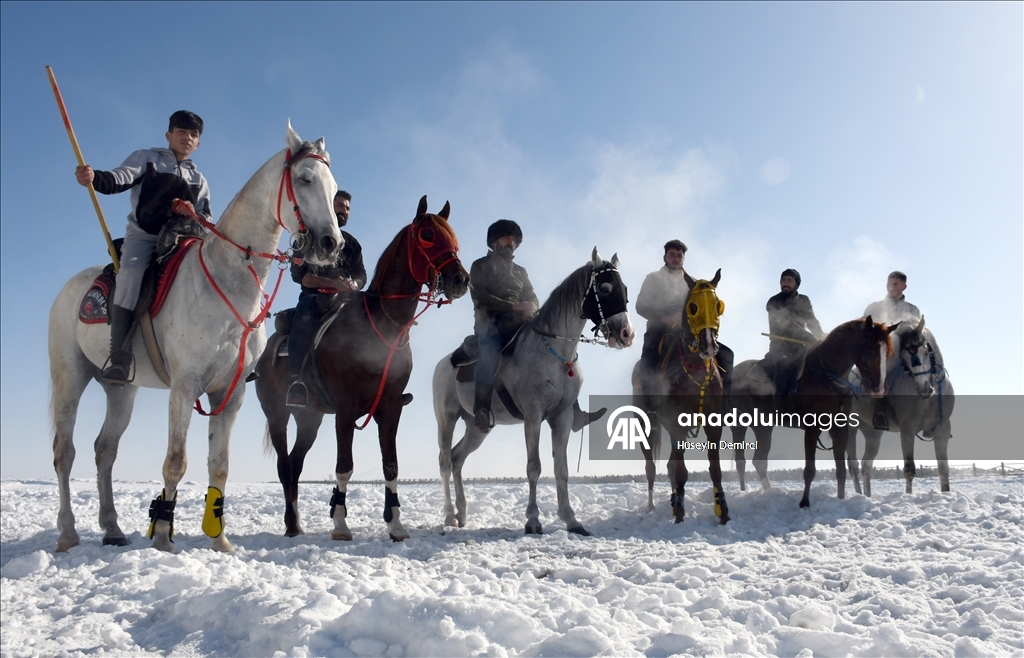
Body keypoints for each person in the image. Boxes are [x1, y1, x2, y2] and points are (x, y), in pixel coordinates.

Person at [75, 110, 212, 384]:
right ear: (169, 135)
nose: (187, 138)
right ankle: (119, 357)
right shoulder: (147, 158)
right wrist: (94, 177)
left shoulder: (200, 180)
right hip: (146, 237)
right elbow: (119, 178)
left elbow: (206, 218)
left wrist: (193, 215)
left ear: (198, 143)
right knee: (131, 274)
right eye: (182, 132)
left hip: (184, 241)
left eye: (193, 135)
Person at [285, 190, 366, 407]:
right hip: (314, 299)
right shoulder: (306, 238)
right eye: (339, 205)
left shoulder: (352, 244)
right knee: (303, 319)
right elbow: (301, 277)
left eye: (347, 208)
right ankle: (296, 383)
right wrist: (331, 283)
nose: (344, 210)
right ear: (329, 206)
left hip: (345, 301)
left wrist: (354, 284)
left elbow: (361, 275)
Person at [635, 239, 734, 395]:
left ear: (683, 258)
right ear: (665, 257)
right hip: (659, 330)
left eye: (679, 255)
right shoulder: (653, 278)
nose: (676, 258)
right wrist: (666, 319)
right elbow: (640, 306)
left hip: (689, 332)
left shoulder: (694, 283)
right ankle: (650, 410)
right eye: (672, 255)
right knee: (648, 363)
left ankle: (726, 404)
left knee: (727, 355)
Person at [469, 220, 539, 432]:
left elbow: (532, 296)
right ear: (494, 241)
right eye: (507, 238)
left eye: (514, 240)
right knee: (489, 351)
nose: (511, 243)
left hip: (520, 319)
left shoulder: (521, 271)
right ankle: (481, 409)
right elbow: (480, 297)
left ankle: (572, 406)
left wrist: (533, 307)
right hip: (489, 322)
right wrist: (515, 306)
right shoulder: (479, 265)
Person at [862, 271, 922, 430]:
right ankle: (880, 410)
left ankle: (934, 417)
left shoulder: (912, 310)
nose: (891, 286)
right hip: (880, 352)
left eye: (895, 283)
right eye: (889, 282)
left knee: (927, 368)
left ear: (904, 287)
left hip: (906, 351)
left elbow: (916, 334)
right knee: (882, 371)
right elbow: (864, 330)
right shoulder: (873, 307)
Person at [763, 268, 825, 401]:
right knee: (784, 367)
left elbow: (811, 320)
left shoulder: (804, 300)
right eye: (783, 280)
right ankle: (779, 412)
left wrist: (822, 337)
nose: (785, 283)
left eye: (789, 280)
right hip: (780, 348)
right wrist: (811, 338)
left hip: (801, 347)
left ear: (796, 284)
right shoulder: (774, 301)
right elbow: (787, 326)